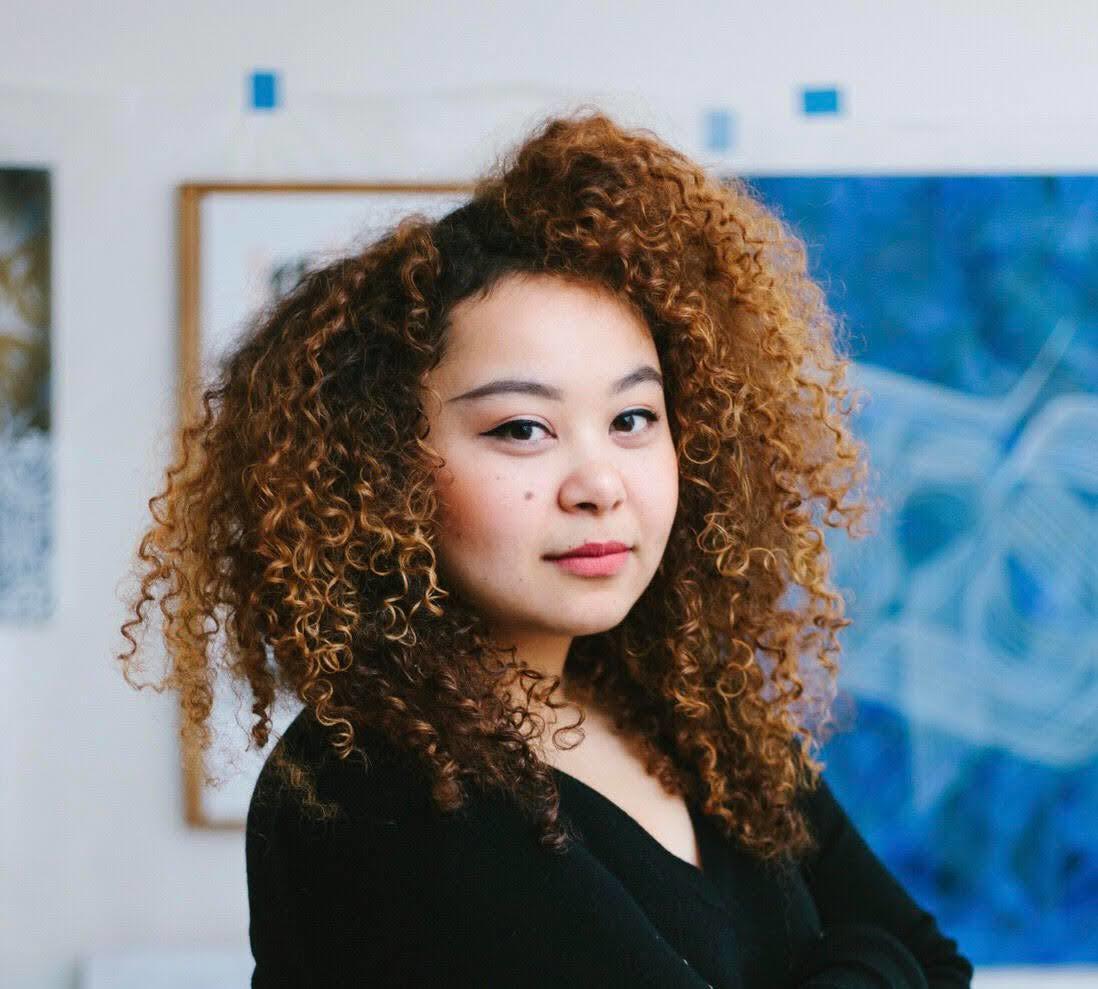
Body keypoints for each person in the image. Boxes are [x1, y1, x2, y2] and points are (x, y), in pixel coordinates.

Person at [118, 108, 974, 988]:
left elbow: (943, 964)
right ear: (382, 467)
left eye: (633, 418)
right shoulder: (374, 784)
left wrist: (876, 956)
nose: (598, 481)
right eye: (523, 428)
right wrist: (868, 958)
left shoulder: (695, 725)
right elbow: (903, 954)